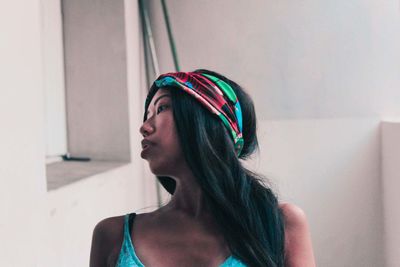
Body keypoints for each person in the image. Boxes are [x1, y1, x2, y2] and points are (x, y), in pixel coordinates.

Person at [89, 69, 316, 267]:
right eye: (147, 116)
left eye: (161, 108)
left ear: (207, 122)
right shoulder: (113, 236)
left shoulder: (279, 223)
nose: (144, 127)